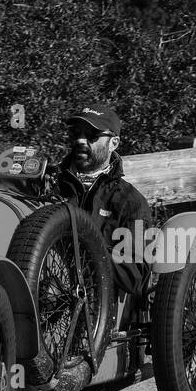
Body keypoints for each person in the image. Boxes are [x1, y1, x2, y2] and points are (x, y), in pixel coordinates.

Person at [54, 103, 154, 300]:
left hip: (99, 307)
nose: (81, 140)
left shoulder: (131, 202)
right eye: (75, 134)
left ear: (113, 143)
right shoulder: (50, 186)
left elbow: (135, 276)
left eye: (92, 135)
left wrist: (86, 251)